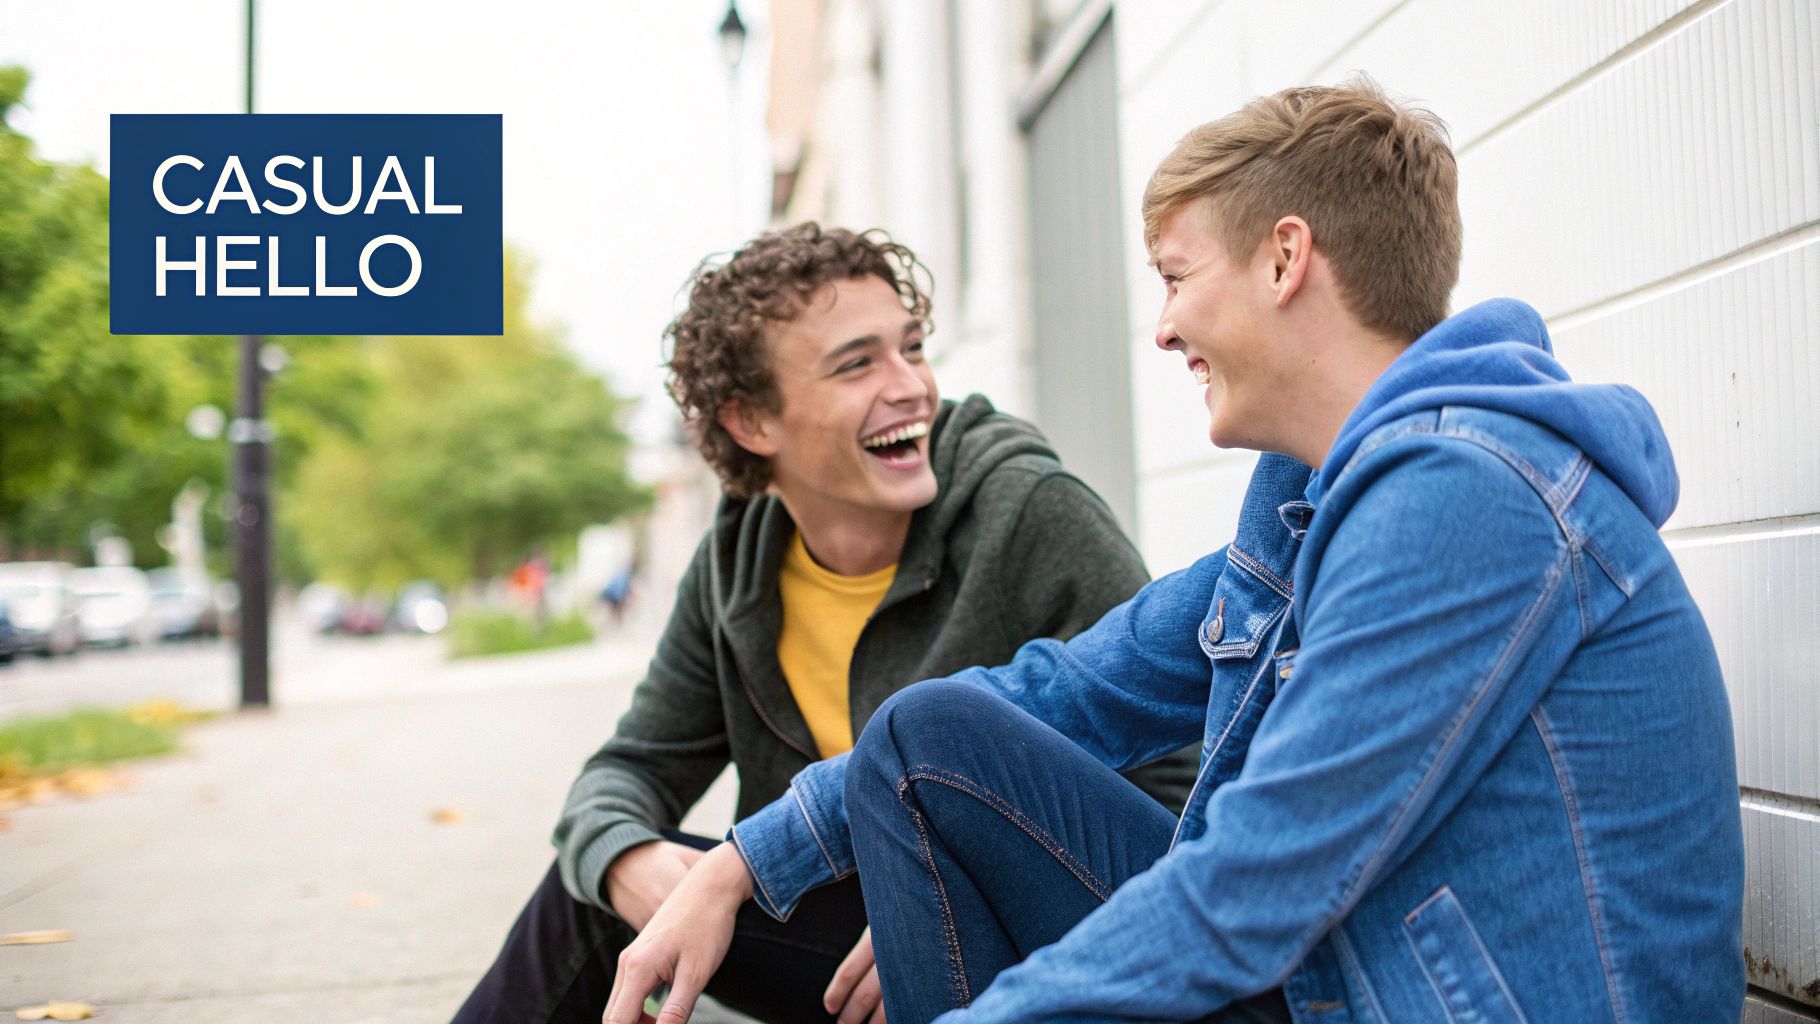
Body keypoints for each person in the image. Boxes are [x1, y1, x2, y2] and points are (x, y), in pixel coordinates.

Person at [604, 79, 1746, 1024]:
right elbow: (1064, 692)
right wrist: (739, 864)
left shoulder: (1467, 499)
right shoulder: (1310, 509)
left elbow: (1252, 884)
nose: (1160, 328)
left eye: (1175, 275)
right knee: (925, 736)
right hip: (1340, 984)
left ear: (1284, 258)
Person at [453, 223, 1196, 1023]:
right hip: (842, 958)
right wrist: (630, 860)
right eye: (856, 364)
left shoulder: (1029, 514)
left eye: (912, 348)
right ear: (751, 421)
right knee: (596, 894)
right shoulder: (737, 563)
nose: (910, 385)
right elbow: (631, 768)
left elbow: (1175, 794)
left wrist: (945, 897)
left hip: (1044, 946)